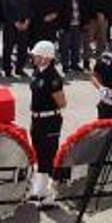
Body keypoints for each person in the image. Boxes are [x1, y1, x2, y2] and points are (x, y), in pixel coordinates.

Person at [27, 40, 65, 205]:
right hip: (36, 119)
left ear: (45, 58)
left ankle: (51, 193)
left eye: (36, 55)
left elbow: (62, 102)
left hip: (49, 120)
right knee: (39, 153)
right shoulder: (37, 71)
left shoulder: (53, 77)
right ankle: (40, 189)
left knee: (49, 155)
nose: (33, 57)